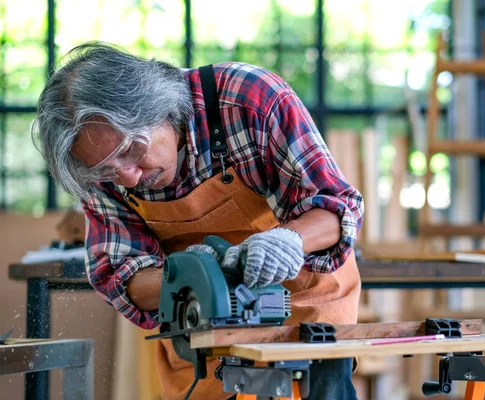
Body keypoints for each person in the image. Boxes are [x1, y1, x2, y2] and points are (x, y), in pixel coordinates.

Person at [32, 42, 364, 400]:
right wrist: (199, 273)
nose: (128, 178)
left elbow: (336, 208)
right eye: (107, 170)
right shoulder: (99, 172)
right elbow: (121, 277)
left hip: (303, 303)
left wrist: (289, 240)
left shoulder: (248, 98)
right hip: (204, 325)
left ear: (159, 106)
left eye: (131, 151)